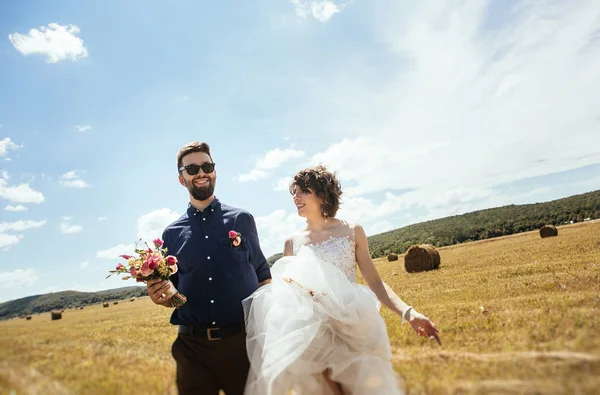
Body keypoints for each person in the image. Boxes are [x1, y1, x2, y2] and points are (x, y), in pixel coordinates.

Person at [242, 165, 440, 395]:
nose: (295, 197)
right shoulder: (291, 243)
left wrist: (409, 313)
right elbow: (288, 295)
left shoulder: (352, 232)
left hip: (353, 328)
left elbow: (375, 283)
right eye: (293, 192)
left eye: (303, 191)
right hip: (313, 336)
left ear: (322, 194)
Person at [146, 142, 272, 395]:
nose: (201, 172)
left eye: (207, 166)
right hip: (192, 350)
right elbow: (175, 295)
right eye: (192, 169)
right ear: (182, 179)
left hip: (242, 344)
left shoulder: (242, 220)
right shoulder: (171, 234)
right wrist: (161, 297)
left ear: (215, 171)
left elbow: (263, 276)